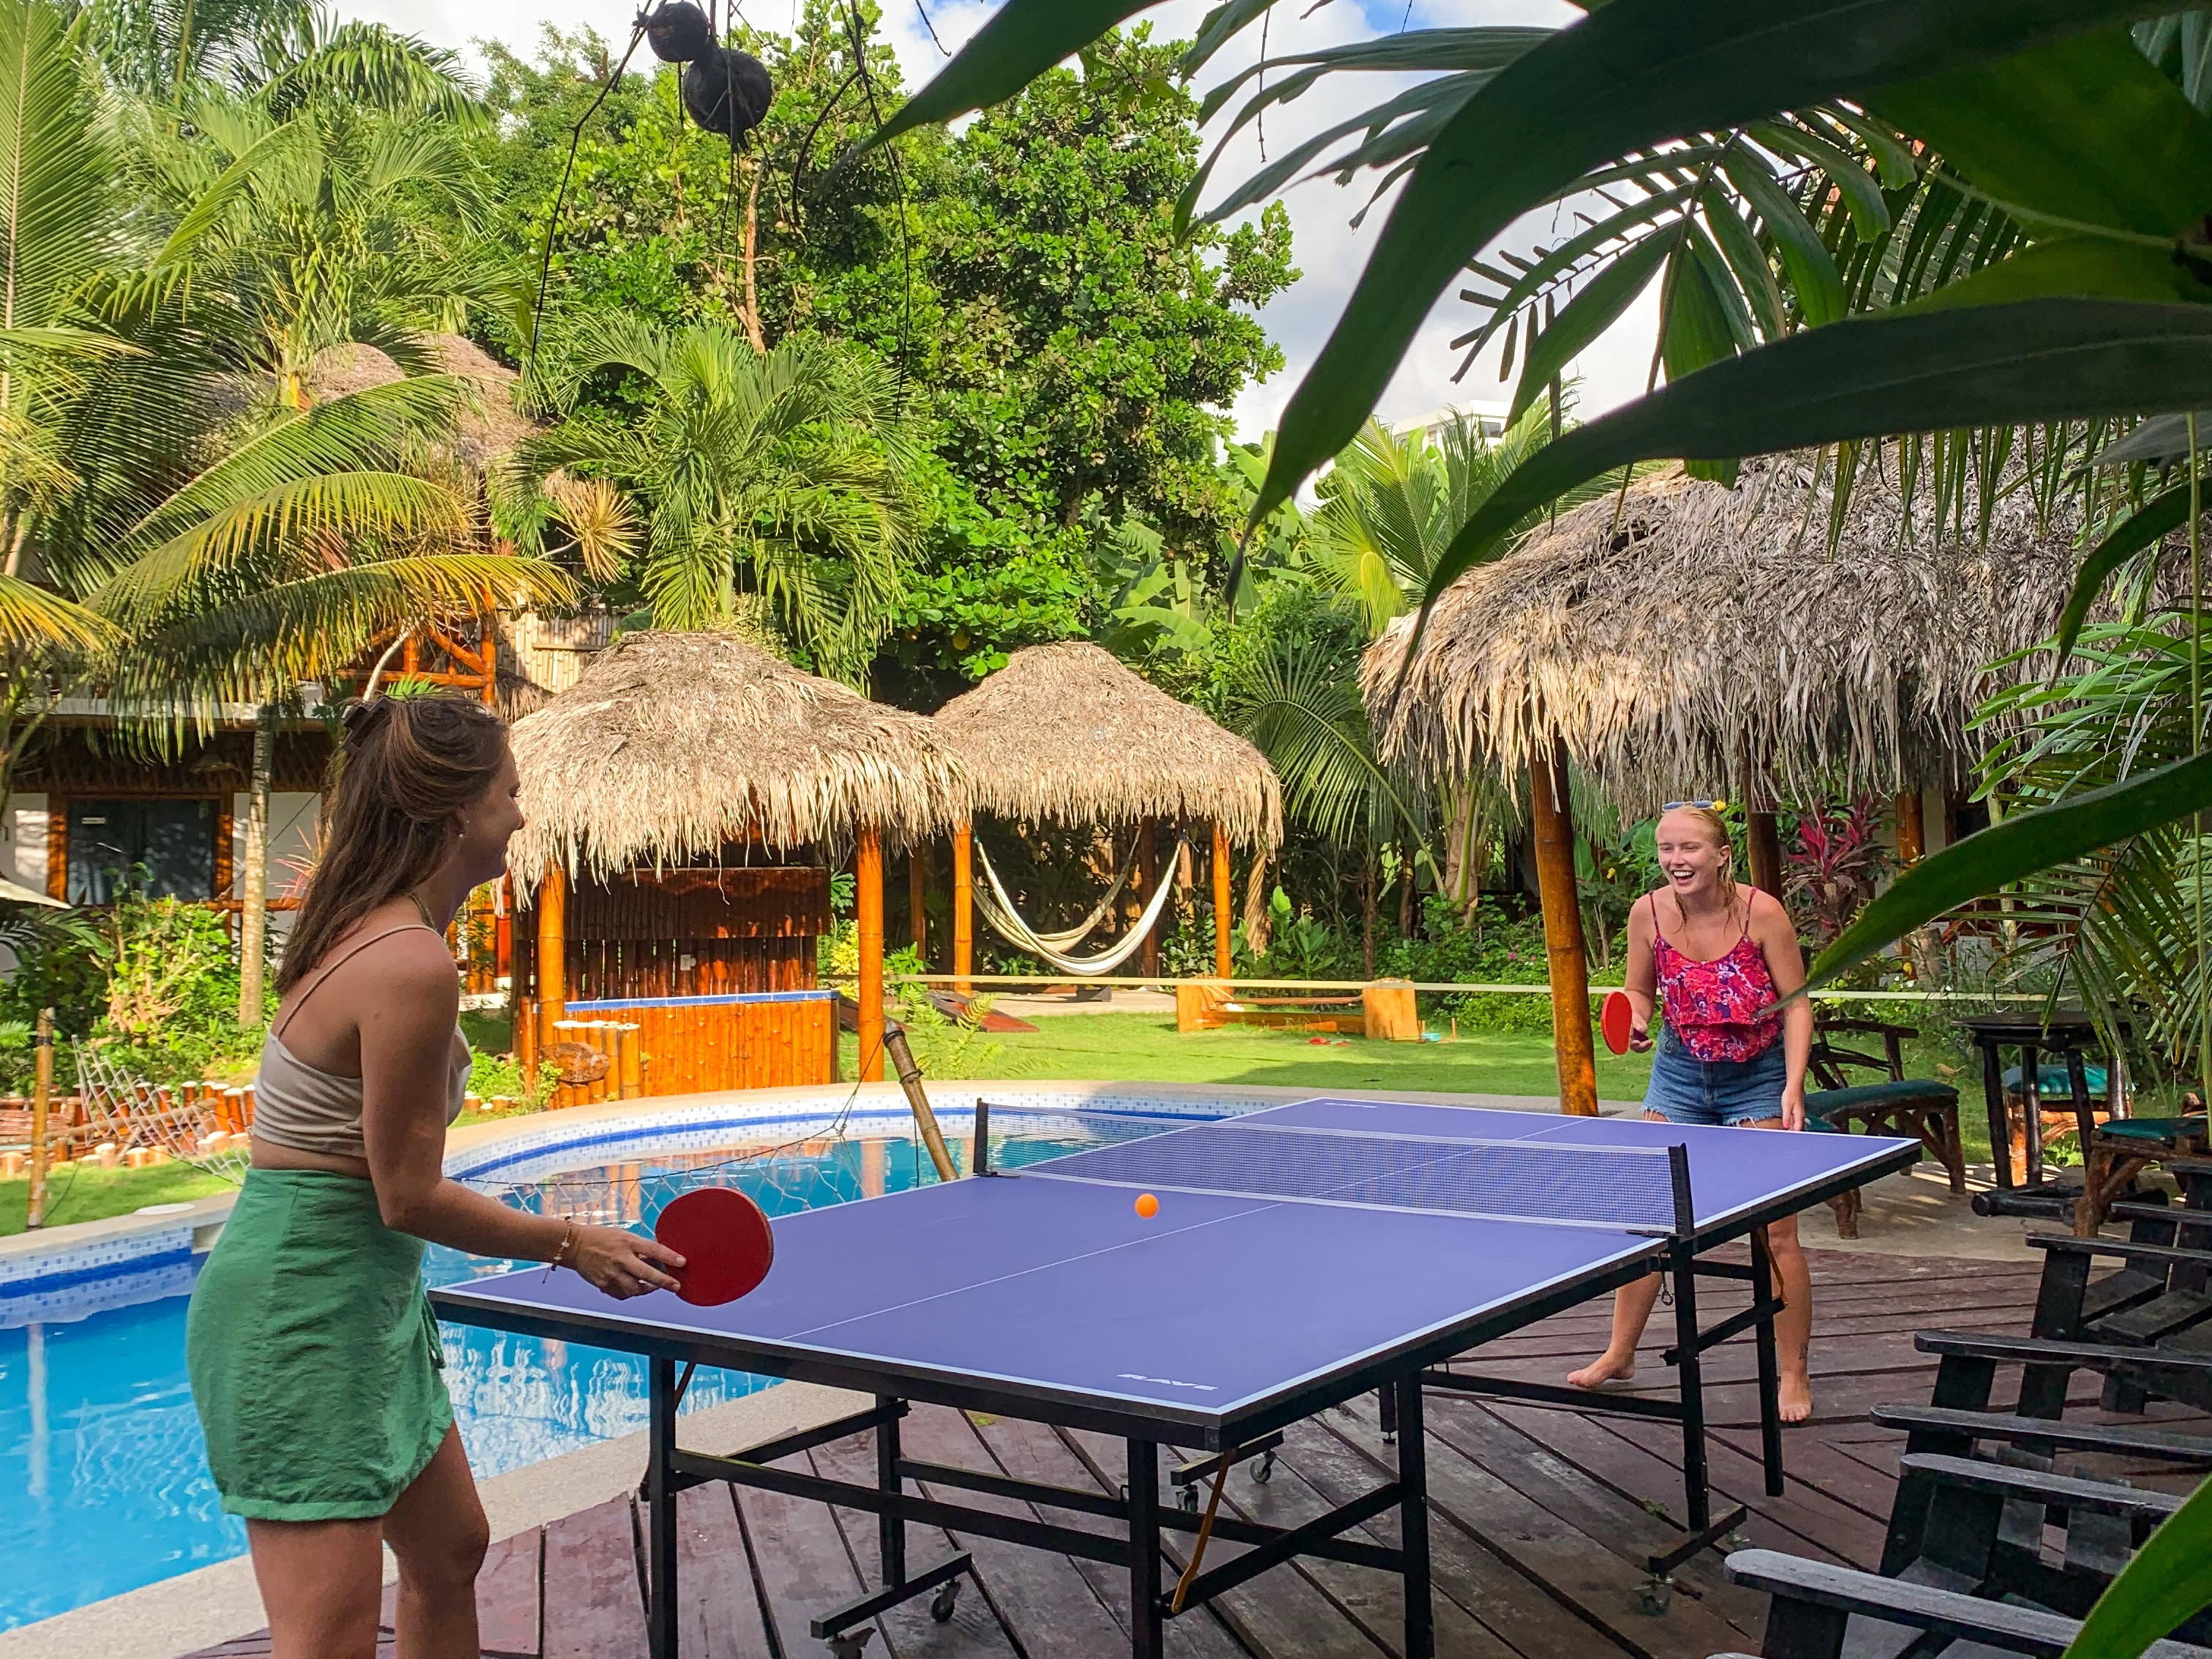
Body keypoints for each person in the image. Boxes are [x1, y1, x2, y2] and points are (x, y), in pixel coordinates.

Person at [186, 693, 685, 1659]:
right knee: (327, 1636)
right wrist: (573, 1242)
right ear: (459, 813)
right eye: (511, 794)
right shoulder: (408, 961)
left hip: (360, 1298)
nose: (522, 815)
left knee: (451, 1549)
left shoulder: (375, 927)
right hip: (302, 1312)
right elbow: (405, 1193)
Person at [1565, 801, 1818, 1422]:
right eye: (1666, 849)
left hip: (1755, 1078)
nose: (1676, 860)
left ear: (1722, 853)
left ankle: (1792, 1373)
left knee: (1777, 1233)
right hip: (1679, 1075)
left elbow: (1797, 1005)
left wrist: (1792, 1087)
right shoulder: (1647, 913)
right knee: (1650, 1222)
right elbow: (1640, 992)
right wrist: (1640, 1023)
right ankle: (1620, 1354)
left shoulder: (1762, 912)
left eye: (1689, 848)